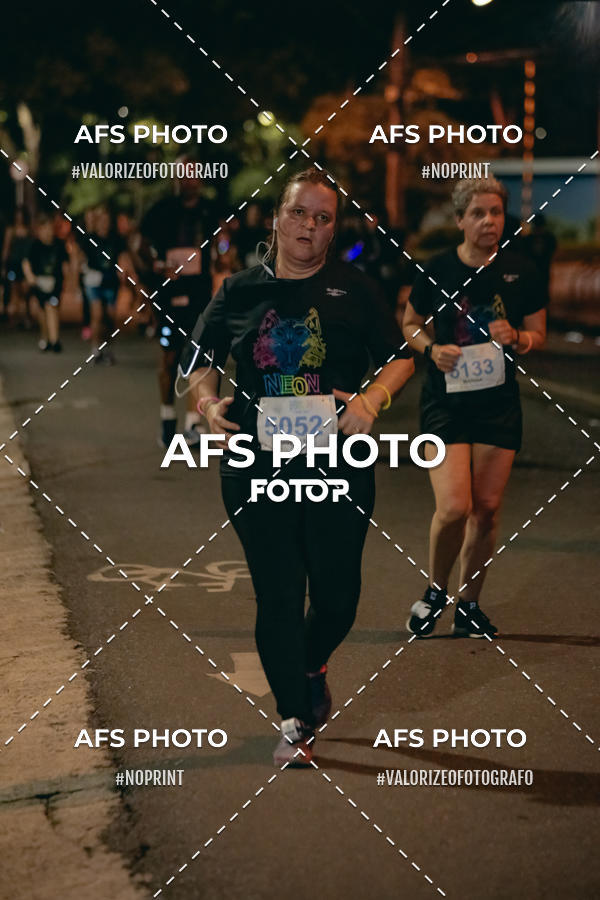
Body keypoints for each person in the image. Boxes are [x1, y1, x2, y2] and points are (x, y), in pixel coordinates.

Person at [180, 167, 414, 766]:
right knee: (279, 595)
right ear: (276, 219)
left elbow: (401, 361)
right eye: (298, 212)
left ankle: (312, 664)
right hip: (256, 464)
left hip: (338, 462)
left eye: (322, 217)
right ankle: (295, 718)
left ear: (333, 229)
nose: (308, 225)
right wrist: (208, 406)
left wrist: (369, 400)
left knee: (337, 597)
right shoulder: (238, 291)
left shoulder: (355, 289)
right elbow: (197, 366)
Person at [402, 176, 547, 639]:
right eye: (479, 213)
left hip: (497, 405)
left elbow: (537, 334)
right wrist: (430, 350)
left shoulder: (523, 269)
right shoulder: (436, 269)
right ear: (461, 219)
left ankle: (469, 604)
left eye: (497, 213)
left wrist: (519, 339)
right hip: (445, 403)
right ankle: (433, 591)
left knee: (486, 509)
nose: (489, 221)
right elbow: (410, 323)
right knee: (453, 507)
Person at [140, 163, 215, 448]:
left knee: (198, 359)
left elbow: (222, 241)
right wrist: (157, 265)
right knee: (170, 360)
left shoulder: (209, 210)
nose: (189, 180)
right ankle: (167, 419)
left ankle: (193, 425)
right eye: (184, 174)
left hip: (200, 294)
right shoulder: (162, 209)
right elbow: (140, 244)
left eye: (195, 174)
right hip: (169, 295)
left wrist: (222, 257)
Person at [81, 206, 128, 365]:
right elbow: (80, 258)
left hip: (111, 281)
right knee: (97, 315)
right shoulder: (89, 239)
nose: (104, 224)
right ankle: (95, 349)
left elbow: (123, 256)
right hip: (94, 281)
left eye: (107, 221)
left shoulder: (116, 239)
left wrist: (125, 271)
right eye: (101, 220)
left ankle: (107, 348)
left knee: (110, 316)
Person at [22, 215, 68, 352]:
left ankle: (55, 340)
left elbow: (65, 263)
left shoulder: (59, 245)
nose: (48, 232)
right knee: (42, 311)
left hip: (55, 283)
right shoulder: (34, 245)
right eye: (45, 229)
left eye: (50, 228)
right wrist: (30, 277)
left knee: (52, 307)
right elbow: (26, 262)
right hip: (40, 283)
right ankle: (46, 337)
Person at [1, 207, 33, 327]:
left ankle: (25, 315)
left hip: (25, 264)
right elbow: (6, 248)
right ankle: (15, 317)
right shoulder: (11, 230)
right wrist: (4, 265)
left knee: (25, 291)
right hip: (13, 263)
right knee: (15, 291)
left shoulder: (29, 230)